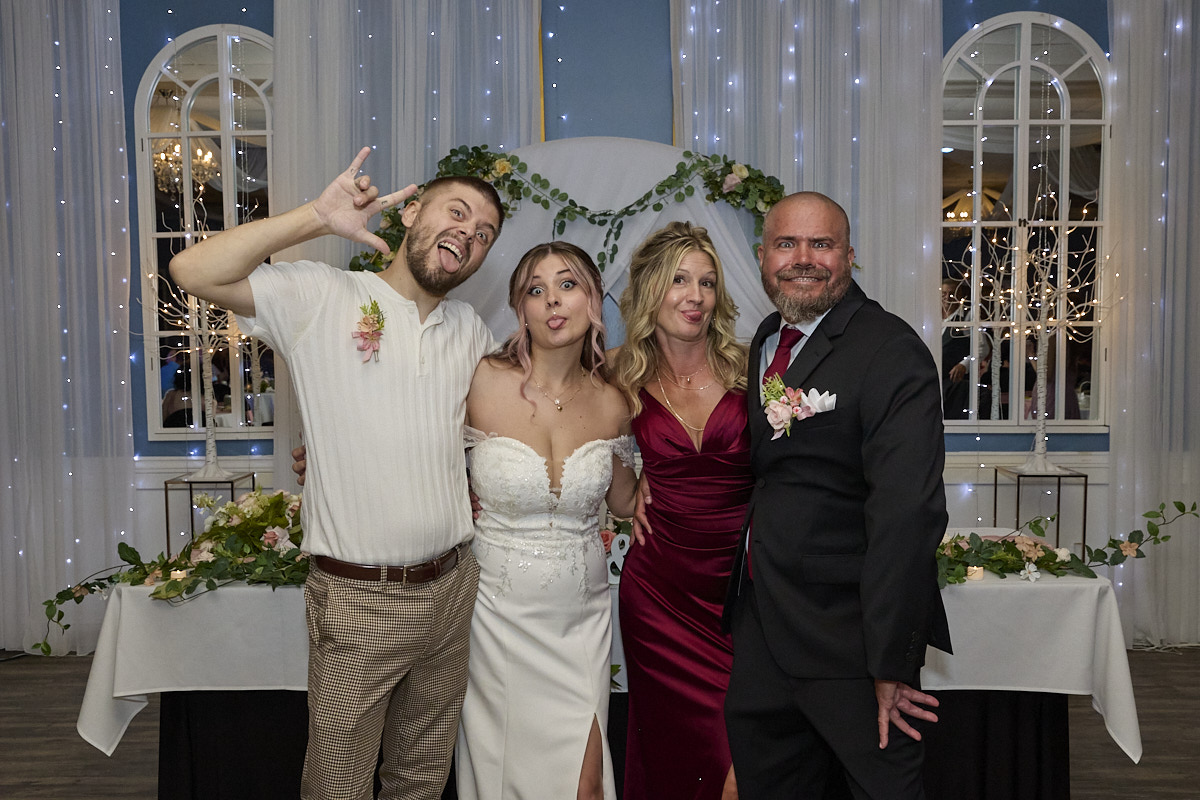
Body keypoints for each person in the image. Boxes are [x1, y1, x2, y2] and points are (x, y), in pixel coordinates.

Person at [169, 147, 505, 800]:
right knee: (339, 787)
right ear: (412, 212)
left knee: (421, 779)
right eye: (457, 213)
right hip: (359, 597)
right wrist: (315, 219)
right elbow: (191, 270)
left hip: (452, 589)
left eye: (484, 233)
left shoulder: (471, 331)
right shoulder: (324, 295)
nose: (468, 233)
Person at [722, 191, 952, 799]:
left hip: (849, 641)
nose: (803, 258)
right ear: (763, 257)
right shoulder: (767, 339)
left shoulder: (890, 350)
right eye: (786, 244)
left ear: (849, 256)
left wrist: (892, 663)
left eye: (820, 244)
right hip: (764, 630)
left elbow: (908, 515)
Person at [456, 242, 638, 800]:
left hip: (581, 621)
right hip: (495, 617)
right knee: (505, 777)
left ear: (593, 301)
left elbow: (627, 502)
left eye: (568, 284)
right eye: (536, 290)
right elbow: (415, 446)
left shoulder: (614, 401)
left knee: (586, 783)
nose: (552, 300)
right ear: (521, 309)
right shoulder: (480, 380)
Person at [610, 222, 750, 800]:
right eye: (679, 280)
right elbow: (549, 410)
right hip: (659, 594)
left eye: (707, 282)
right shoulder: (617, 373)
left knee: (739, 759)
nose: (696, 296)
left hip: (741, 591)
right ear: (650, 290)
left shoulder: (753, 368)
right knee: (678, 757)